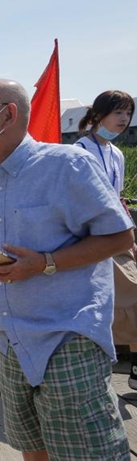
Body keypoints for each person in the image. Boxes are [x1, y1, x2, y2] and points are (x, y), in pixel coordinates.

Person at [0, 78, 133, 461]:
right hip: (11, 336)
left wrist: (45, 262)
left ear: (9, 114)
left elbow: (121, 235)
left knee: (72, 460)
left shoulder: (67, 164)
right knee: (30, 447)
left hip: (67, 333)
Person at [73, 90, 137, 390]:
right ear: (98, 115)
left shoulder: (117, 154)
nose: (124, 119)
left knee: (123, 303)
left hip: (116, 238)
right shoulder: (79, 152)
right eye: (118, 112)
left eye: (128, 113)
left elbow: (118, 199)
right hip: (91, 241)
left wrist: (130, 237)